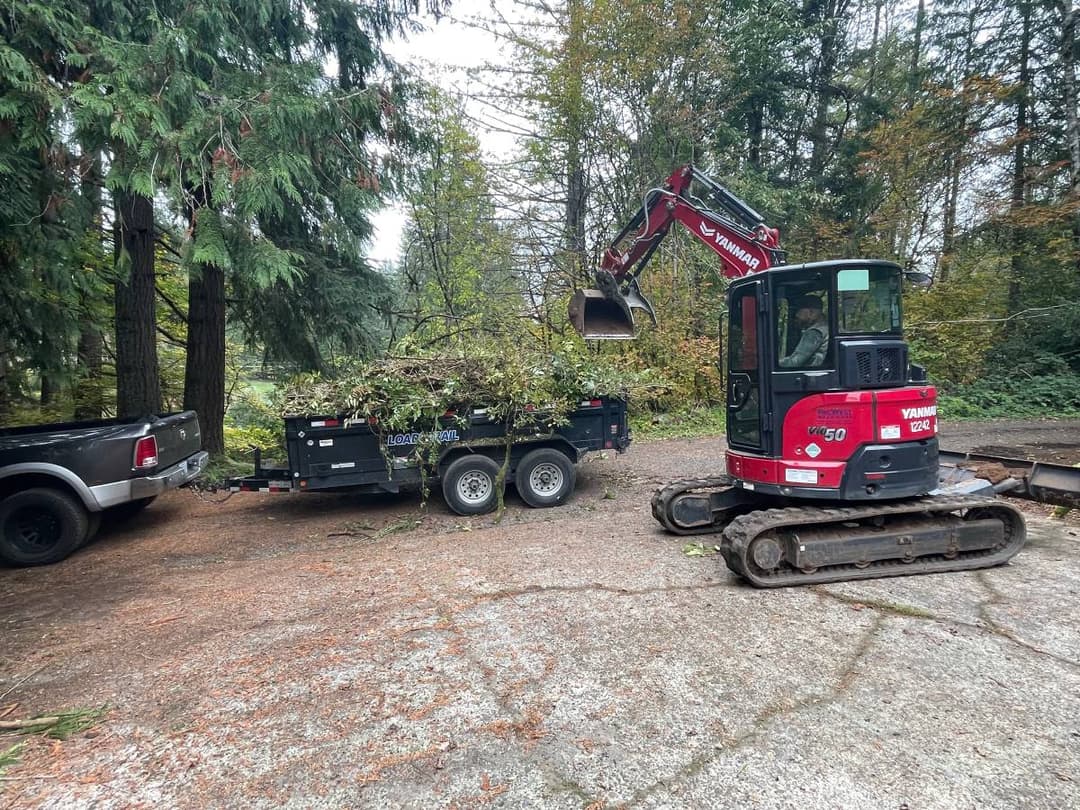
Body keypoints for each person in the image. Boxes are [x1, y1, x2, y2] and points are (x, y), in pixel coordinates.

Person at [779, 294, 828, 368]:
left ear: (811, 313)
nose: (796, 315)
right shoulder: (825, 327)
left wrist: (774, 364)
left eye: (798, 311)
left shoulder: (814, 332)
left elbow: (794, 362)